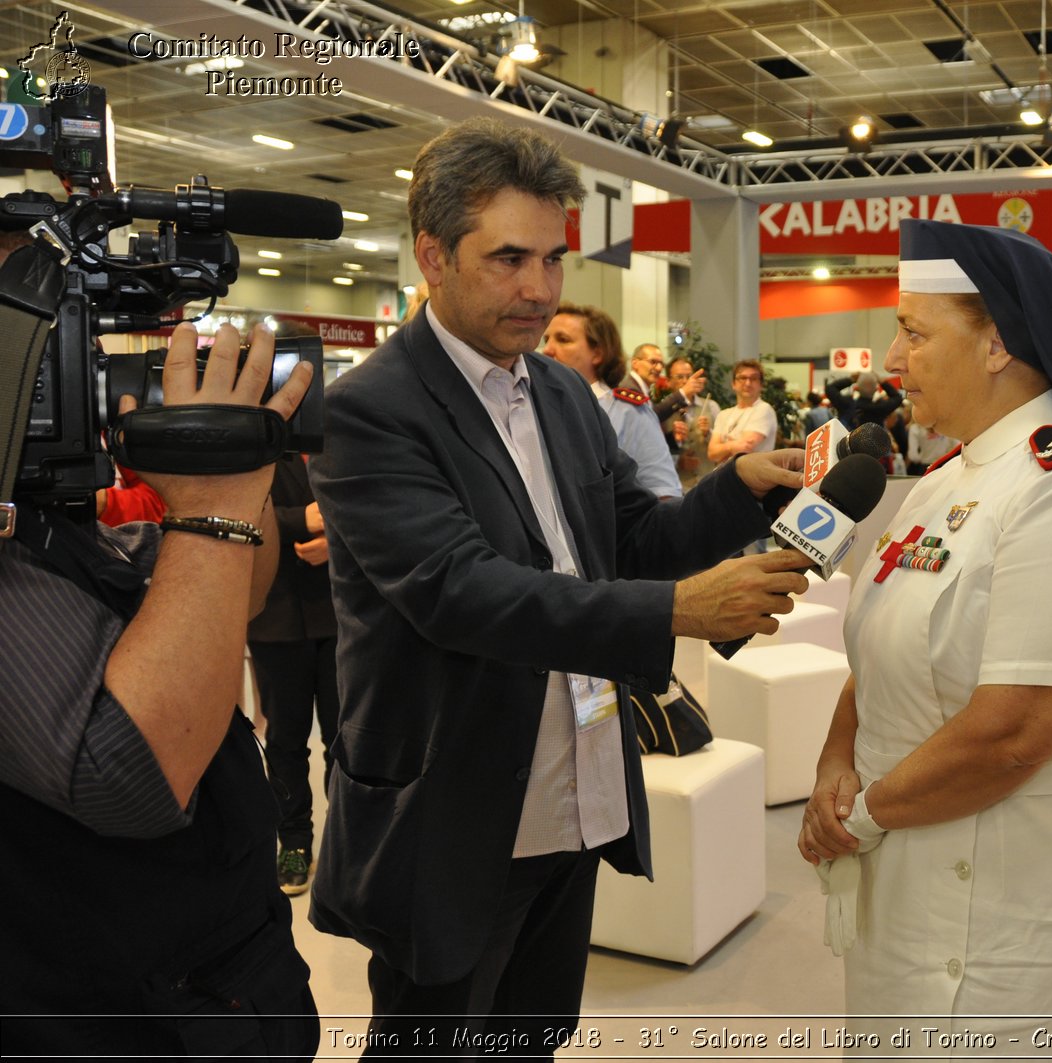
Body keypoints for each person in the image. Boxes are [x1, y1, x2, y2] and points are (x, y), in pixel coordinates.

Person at [307, 117, 812, 1055]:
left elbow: (632, 538)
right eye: (508, 260)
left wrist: (736, 491)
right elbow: (461, 592)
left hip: (572, 797)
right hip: (451, 813)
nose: (539, 290)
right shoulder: (372, 411)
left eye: (553, 260)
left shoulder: (564, 394)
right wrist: (677, 614)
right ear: (433, 255)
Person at [798, 219, 1052, 1046]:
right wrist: (838, 761)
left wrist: (861, 815)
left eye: (913, 331)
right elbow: (881, 649)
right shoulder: (949, 477)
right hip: (913, 881)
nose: (892, 360)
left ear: (997, 345)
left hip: (1037, 907)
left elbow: (1016, 731)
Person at [0, 320, 320, 1058]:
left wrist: (239, 468)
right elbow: (133, 774)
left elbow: (241, 593)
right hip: (110, 1010)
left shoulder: (52, 519)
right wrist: (214, 499)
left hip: (217, 981)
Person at [247, 451, 340, 896]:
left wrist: (337, 540)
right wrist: (298, 520)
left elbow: (378, 505)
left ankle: (347, 844)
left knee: (347, 739)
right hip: (275, 616)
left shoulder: (342, 437)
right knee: (285, 741)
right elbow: (237, 511)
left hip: (343, 616)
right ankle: (294, 843)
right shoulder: (257, 445)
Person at [541, 303, 682, 499]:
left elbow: (663, 492)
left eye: (563, 340)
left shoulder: (628, 412)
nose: (547, 350)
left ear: (597, 353)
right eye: (546, 339)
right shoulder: (538, 406)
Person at [660, 355, 720, 492]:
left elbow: (722, 445)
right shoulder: (662, 412)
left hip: (708, 482)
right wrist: (678, 462)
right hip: (677, 486)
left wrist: (708, 433)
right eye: (680, 377)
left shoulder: (711, 406)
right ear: (669, 381)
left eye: (689, 376)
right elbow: (657, 451)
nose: (686, 381)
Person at [708, 359, 778, 464]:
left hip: (753, 477)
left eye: (753, 378)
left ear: (761, 384)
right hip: (724, 478)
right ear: (733, 384)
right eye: (742, 378)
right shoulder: (723, 414)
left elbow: (745, 448)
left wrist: (723, 447)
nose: (748, 383)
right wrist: (733, 445)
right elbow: (712, 453)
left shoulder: (764, 409)